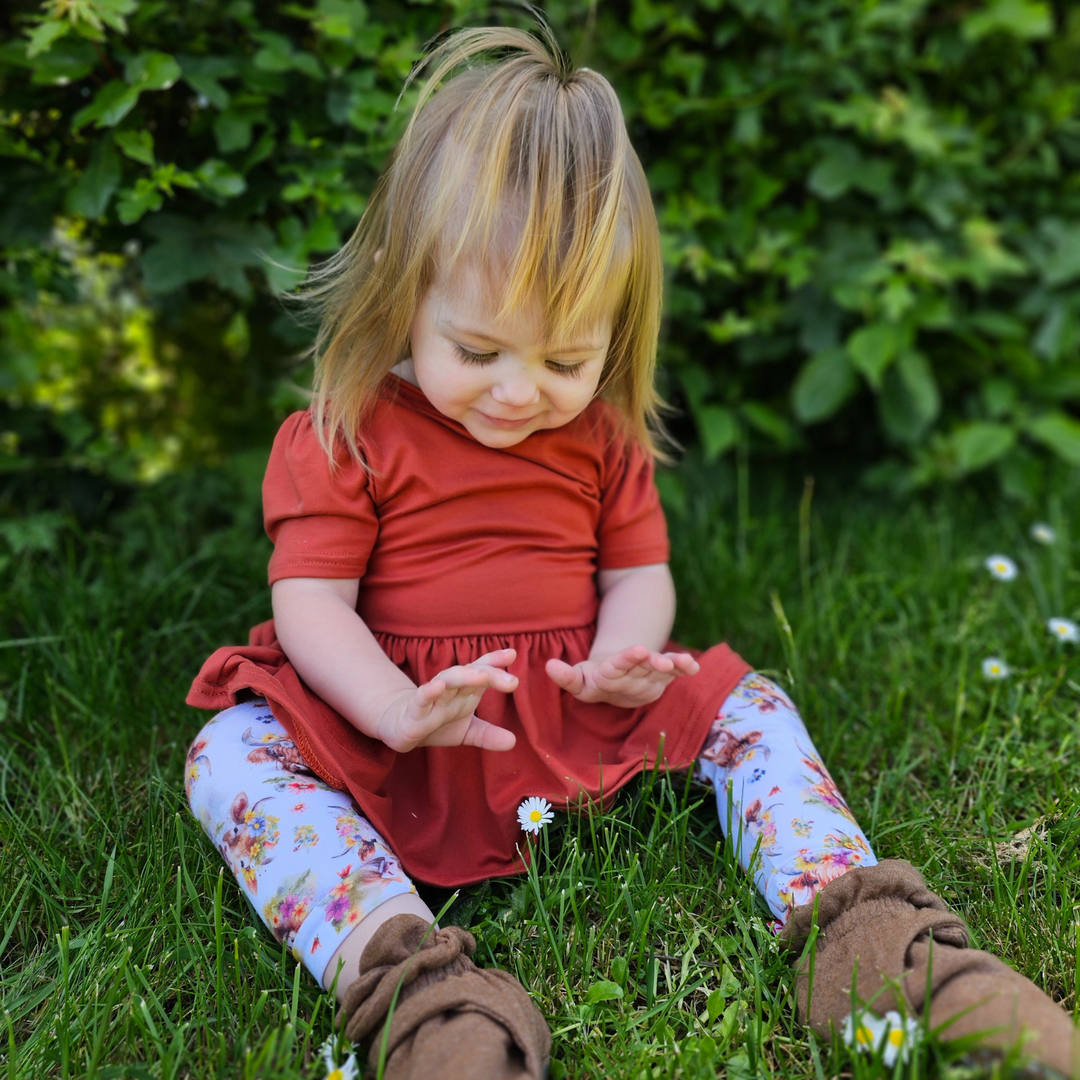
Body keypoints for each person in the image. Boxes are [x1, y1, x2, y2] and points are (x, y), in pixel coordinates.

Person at [184, 25, 1076, 1080]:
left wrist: (622, 655)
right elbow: (314, 607)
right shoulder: (346, 432)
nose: (519, 392)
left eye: (565, 358)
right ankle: (415, 988)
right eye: (477, 351)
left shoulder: (599, 439)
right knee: (231, 755)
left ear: (617, 331)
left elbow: (636, 574)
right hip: (410, 722)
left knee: (750, 707)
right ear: (402, 288)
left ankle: (875, 944)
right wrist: (386, 709)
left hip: (572, 708)